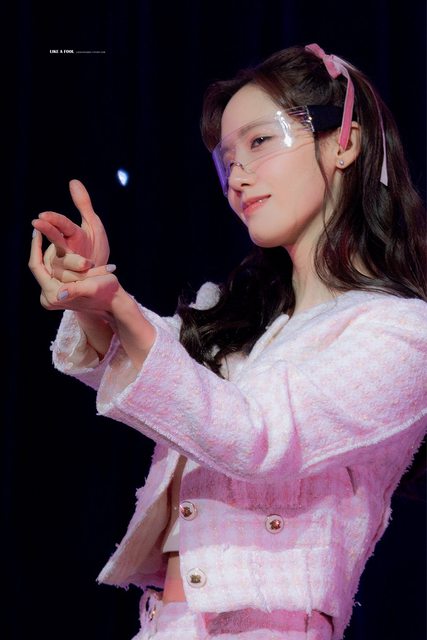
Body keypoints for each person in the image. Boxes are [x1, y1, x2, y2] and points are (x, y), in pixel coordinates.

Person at [29, 43, 426, 640]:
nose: (237, 176)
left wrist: (117, 305)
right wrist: (93, 296)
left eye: (260, 142)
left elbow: (258, 435)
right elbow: (152, 364)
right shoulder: (241, 319)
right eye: (226, 160)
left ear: (344, 141)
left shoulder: (402, 333)